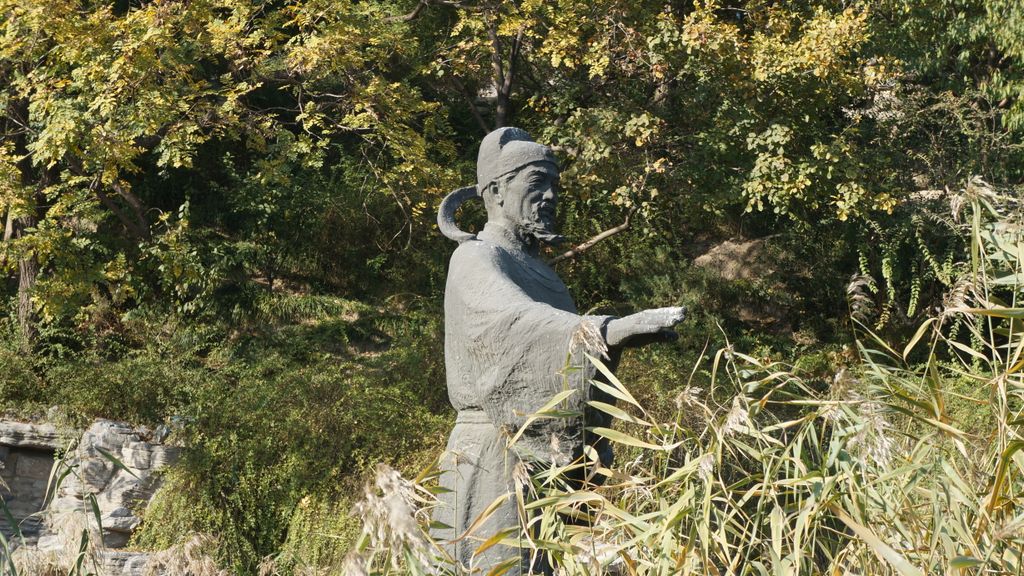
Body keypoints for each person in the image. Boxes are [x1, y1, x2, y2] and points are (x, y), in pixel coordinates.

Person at [433, 127, 684, 574]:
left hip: (547, 455)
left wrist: (608, 338)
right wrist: (608, 331)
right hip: (496, 452)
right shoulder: (477, 258)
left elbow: (559, 343)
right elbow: (513, 325)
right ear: (495, 191)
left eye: (553, 187)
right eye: (536, 185)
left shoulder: (542, 273)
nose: (549, 196)